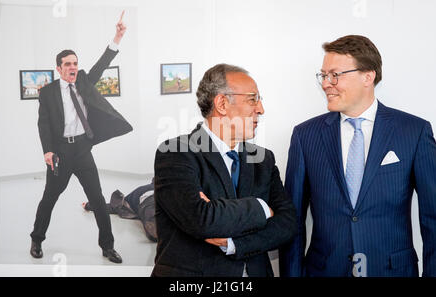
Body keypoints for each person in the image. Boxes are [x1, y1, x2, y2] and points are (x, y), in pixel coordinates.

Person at [279, 35, 436, 277]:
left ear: (368, 76)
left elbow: (432, 218)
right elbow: (293, 222)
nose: (326, 83)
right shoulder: (305, 136)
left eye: (335, 75)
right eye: (323, 75)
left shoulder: (414, 132)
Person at [152, 64, 297, 277]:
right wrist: (262, 208)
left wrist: (235, 243)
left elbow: (287, 224)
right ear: (221, 103)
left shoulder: (264, 159)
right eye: (252, 99)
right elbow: (202, 220)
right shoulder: (175, 153)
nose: (260, 109)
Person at [30, 11, 133, 264]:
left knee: (98, 199)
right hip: (61, 153)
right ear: (59, 68)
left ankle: (107, 247)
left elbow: (103, 63)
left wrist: (117, 36)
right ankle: (36, 238)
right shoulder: (48, 92)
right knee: (49, 198)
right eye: (67, 64)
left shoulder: (85, 81)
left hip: (83, 151)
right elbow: (43, 123)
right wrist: (48, 151)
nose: (73, 67)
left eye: (75, 63)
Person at [82, 178, 157, 242]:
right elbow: (112, 207)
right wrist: (89, 206)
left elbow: (112, 207)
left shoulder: (134, 196)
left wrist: (89, 206)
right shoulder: (133, 199)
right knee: (153, 225)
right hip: (149, 200)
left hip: (153, 199)